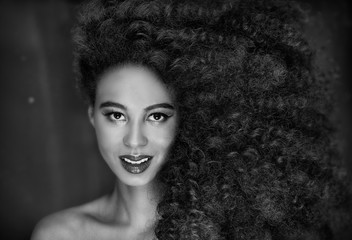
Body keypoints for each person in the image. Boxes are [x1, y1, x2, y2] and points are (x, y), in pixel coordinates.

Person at [31, 0, 350, 239]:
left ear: (190, 119)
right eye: (116, 115)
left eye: (156, 116)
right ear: (92, 116)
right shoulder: (59, 234)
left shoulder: (224, 232)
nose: (134, 140)